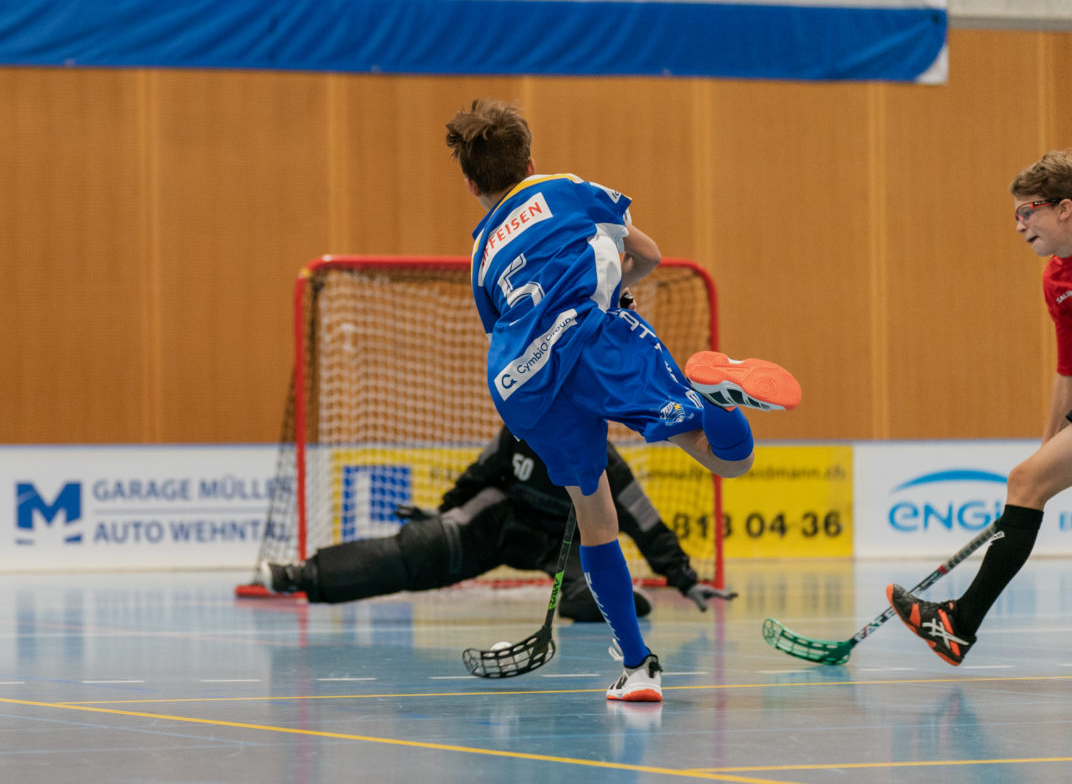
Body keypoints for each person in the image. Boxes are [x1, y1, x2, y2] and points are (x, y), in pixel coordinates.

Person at [444, 98, 800, 702]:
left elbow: (505, 321)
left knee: (595, 515)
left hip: (520, 384)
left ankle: (639, 669)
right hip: (596, 339)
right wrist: (615, 289)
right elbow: (649, 255)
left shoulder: (480, 253)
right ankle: (715, 397)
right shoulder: (564, 188)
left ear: (473, 184)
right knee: (728, 459)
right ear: (530, 159)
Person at [888, 149, 1072, 665]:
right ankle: (958, 625)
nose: (1018, 225)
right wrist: (1045, 459)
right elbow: (1068, 371)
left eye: (1027, 211)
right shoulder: (1057, 279)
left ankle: (958, 624)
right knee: (1026, 480)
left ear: (1065, 208)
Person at [257, 427, 738, 619]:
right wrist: (444, 514)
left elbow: (647, 524)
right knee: (419, 553)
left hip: (564, 540)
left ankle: (591, 598)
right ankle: (303, 576)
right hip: (500, 520)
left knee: (602, 591)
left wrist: (684, 579)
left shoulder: (610, 467)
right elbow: (478, 475)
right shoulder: (519, 432)